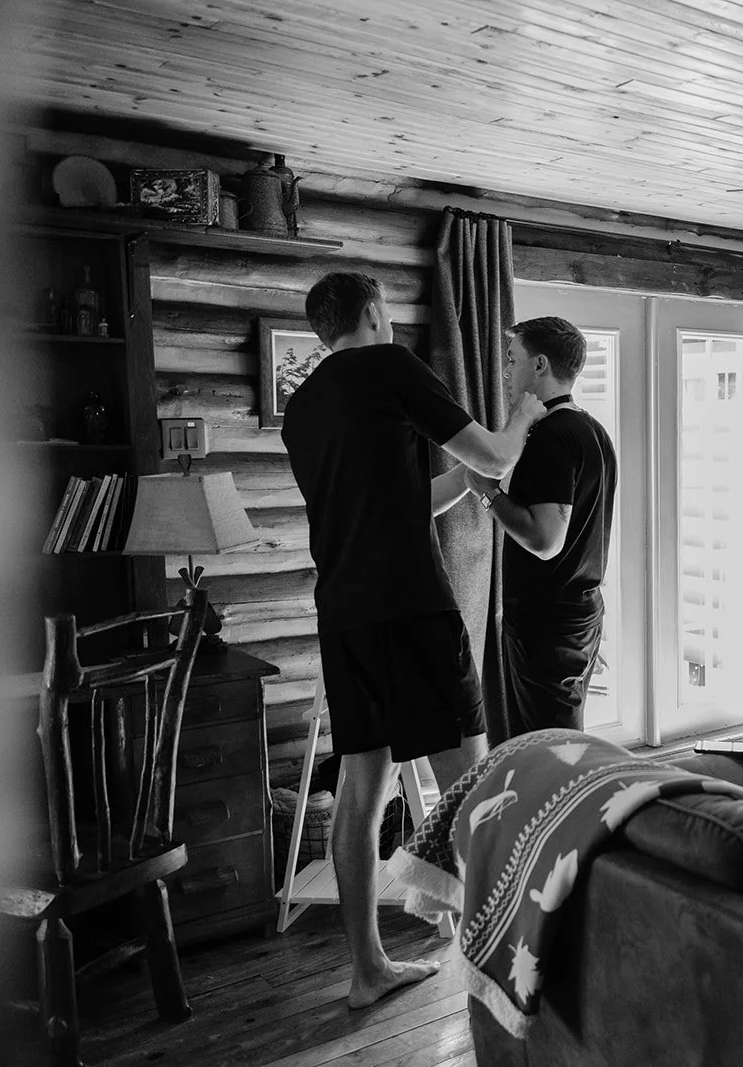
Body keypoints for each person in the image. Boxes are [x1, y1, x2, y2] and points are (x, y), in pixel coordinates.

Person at [281, 272, 545, 1009]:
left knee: (360, 791)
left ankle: (368, 968)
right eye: (388, 312)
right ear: (372, 314)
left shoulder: (302, 409)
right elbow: (497, 456)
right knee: (476, 778)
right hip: (410, 605)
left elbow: (399, 504)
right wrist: (521, 417)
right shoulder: (389, 366)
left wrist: (460, 477)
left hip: (344, 614)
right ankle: (492, 942)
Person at [466, 317, 618, 737]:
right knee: (555, 739)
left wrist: (487, 493)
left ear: (540, 365)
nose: (507, 372)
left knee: (551, 750)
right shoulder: (593, 431)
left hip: (548, 623)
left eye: (513, 360)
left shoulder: (552, 436)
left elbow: (546, 540)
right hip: (580, 611)